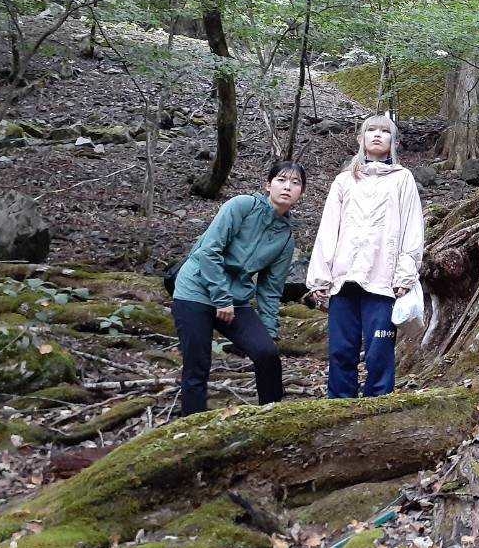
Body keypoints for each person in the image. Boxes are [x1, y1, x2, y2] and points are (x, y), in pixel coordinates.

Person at [171, 161, 304, 416]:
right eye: (281, 180)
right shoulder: (242, 206)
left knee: (266, 353)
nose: (287, 187)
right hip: (195, 290)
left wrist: (269, 331)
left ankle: (272, 418)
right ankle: (193, 426)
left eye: (295, 183)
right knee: (197, 365)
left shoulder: (285, 238)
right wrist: (221, 299)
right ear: (268, 185)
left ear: (301, 193)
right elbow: (209, 251)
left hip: (236, 300)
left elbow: (270, 289)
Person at [306, 114, 424, 398]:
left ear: (394, 142)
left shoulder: (402, 179)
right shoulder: (344, 181)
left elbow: (412, 228)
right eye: (371, 130)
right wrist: (320, 277)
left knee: (379, 350)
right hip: (344, 278)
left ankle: (379, 407)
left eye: (385, 131)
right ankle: (339, 408)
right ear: (361, 138)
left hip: (383, 280)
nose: (377, 135)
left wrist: (405, 273)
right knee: (341, 350)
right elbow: (328, 229)